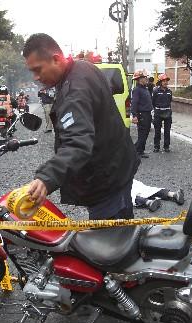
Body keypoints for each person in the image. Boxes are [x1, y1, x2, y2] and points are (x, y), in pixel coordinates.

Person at [22, 33, 139, 220]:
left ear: (56, 59)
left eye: (38, 69)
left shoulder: (75, 91)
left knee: (109, 244)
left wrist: (46, 178)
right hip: (118, 165)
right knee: (122, 234)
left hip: (107, 182)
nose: (36, 77)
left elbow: (77, 142)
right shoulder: (83, 67)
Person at [131, 70, 154, 158]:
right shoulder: (137, 90)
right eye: (145, 77)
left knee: (146, 133)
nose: (146, 78)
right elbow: (134, 103)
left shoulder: (145, 88)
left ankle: (140, 150)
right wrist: (134, 116)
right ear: (140, 79)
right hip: (142, 114)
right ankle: (134, 150)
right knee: (143, 133)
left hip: (147, 114)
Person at [152, 73, 173, 152]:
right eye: (163, 81)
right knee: (157, 131)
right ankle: (156, 147)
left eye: (166, 81)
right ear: (160, 82)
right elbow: (153, 102)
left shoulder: (169, 91)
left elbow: (170, 101)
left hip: (167, 113)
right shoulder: (155, 91)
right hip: (158, 114)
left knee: (167, 131)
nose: (165, 82)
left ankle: (166, 146)